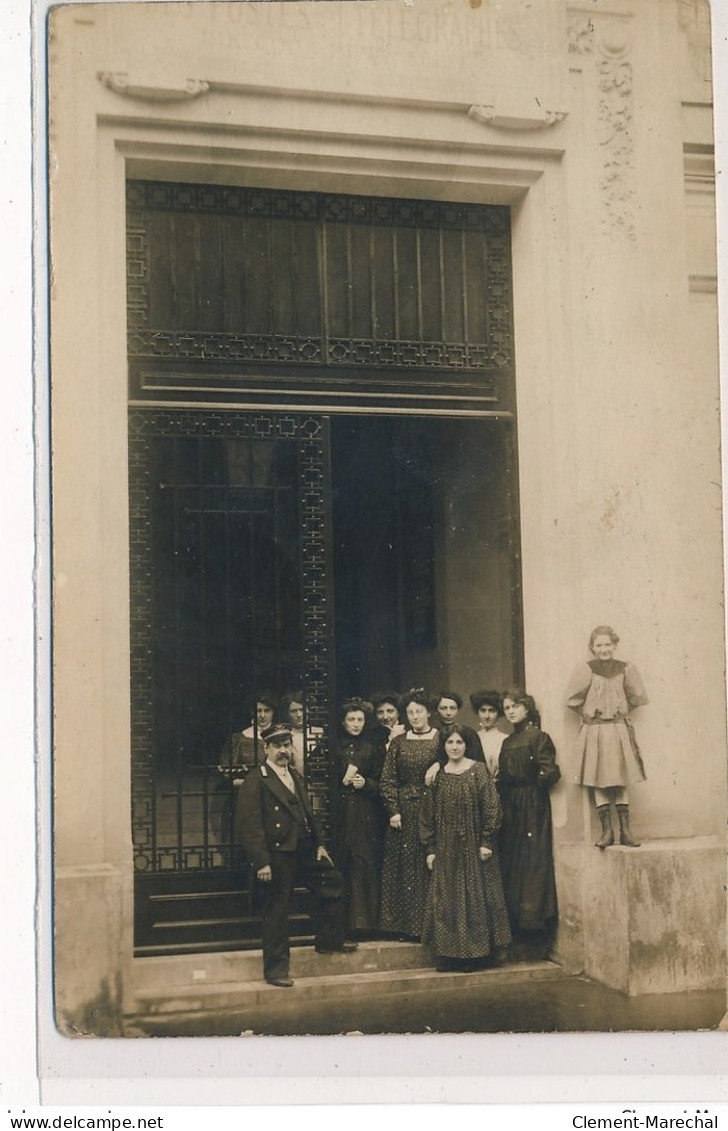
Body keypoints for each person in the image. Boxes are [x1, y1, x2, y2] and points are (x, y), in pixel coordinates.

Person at [236, 723, 357, 987]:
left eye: (287, 745)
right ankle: (276, 971)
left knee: (332, 881)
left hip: (303, 848)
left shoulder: (294, 776)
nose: (283, 751)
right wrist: (261, 861)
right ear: (265, 748)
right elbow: (249, 825)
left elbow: (307, 814)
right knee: (277, 910)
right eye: (277, 746)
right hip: (277, 854)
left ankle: (328, 941)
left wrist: (320, 844)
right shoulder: (256, 780)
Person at [420, 724, 511, 971]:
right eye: (450, 743)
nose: (455, 747)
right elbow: (427, 814)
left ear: (466, 745)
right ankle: (450, 956)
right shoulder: (438, 775)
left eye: (459, 742)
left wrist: (486, 841)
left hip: (475, 846)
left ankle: (477, 955)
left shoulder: (478, 770)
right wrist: (430, 848)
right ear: (444, 746)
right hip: (447, 848)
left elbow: (492, 807)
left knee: (477, 899)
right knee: (447, 902)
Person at [566, 625, 648, 849]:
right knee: (599, 782)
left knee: (620, 780)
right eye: (599, 645)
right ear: (592, 647)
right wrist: (589, 715)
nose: (604, 649)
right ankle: (607, 832)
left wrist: (620, 711)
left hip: (618, 729)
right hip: (596, 731)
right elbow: (572, 699)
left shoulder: (625, 668)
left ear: (614, 645)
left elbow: (637, 697)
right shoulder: (587, 669)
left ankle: (625, 832)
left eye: (607, 644)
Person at [498, 688, 560, 952]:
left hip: (532, 806)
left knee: (533, 861)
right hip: (510, 806)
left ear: (527, 708)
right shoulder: (507, 742)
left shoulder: (538, 737)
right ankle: (517, 926)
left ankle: (535, 926)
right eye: (507, 708)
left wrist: (534, 785)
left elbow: (551, 771)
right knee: (513, 862)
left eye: (515, 706)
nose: (510, 711)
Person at [379, 688, 440, 938]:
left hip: (432, 809)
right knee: (404, 867)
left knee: (429, 864)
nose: (415, 716)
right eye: (410, 712)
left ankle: (429, 927)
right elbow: (387, 779)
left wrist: (438, 763)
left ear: (428, 713)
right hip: (404, 810)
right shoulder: (398, 742)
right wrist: (393, 810)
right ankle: (404, 928)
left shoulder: (441, 738)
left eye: (419, 711)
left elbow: (452, 762)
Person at [333, 697, 386, 936]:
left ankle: (365, 924)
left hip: (365, 811)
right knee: (342, 860)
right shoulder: (332, 746)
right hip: (340, 810)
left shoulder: (371, 748)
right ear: (343, 722)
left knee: (365, 861)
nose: (356, 724)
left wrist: (366, 783)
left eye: (360, 719)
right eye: (351, 719)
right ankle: (341, 923)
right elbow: (320, 778)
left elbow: (382, 781)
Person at [213, 691, 277, 846]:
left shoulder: (280, 736)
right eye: (258, 711)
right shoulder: (240, 738)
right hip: (246, 797)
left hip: (275, 797)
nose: (262, 715)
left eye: (266, 711)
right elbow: (226, 772)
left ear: (273, 712)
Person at [279, 690, 324, 778]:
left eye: (302, 710)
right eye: (293, 711)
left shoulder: (319, 733)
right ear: (287, 713)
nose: (299, 715)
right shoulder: (283, 734)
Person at [470, 689, 507, 780]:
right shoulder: (472, 738)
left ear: (498, 713)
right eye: (483, 711)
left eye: (492, 711)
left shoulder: (505, 739)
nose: (487, 716)